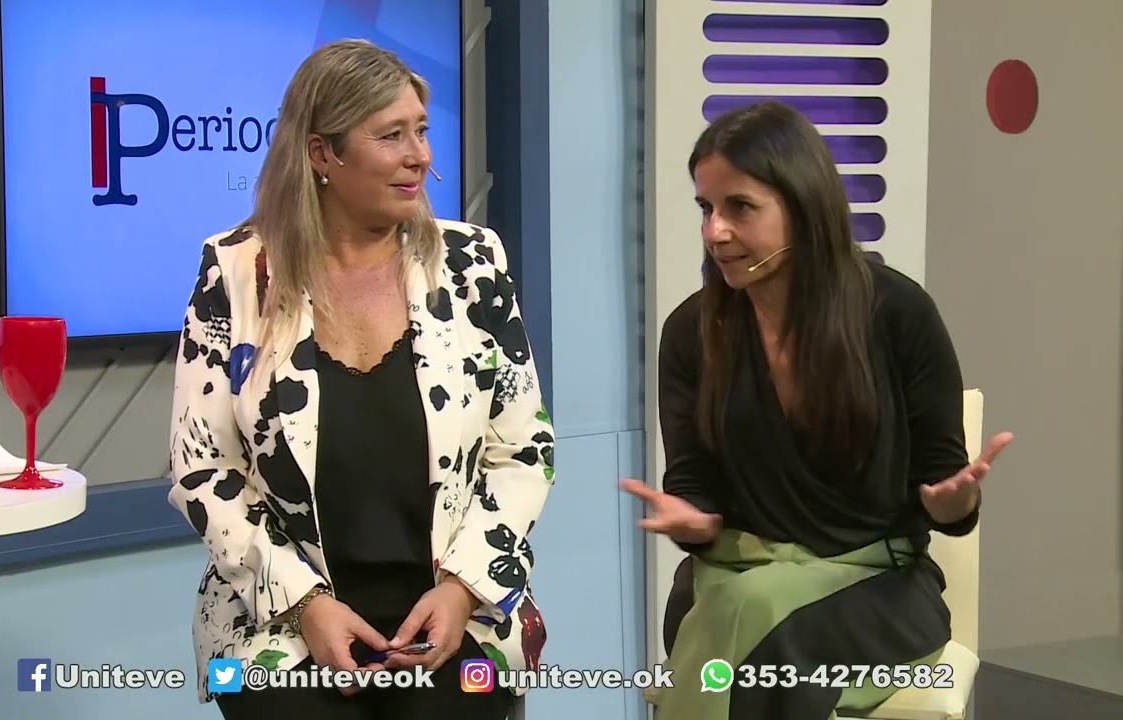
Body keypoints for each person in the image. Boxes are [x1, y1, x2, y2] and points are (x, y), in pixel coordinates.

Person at [167, 39, 554, 720]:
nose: (420, 155)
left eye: (422, 131)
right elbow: (203, 469)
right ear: (323, 154)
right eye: (392, 135)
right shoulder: (236, 272)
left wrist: (462, 588)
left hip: (455, 613)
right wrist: (306, 605)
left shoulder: (473, 264)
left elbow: (524, 450)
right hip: (280, 625)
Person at [620, 100, 1013, 720]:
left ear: (803, 207)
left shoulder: (899, 313)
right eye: (706, 208)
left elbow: (944, 492)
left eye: (739, 207)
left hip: (878, 586)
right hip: (734, 574)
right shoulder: (692, 331)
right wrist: (692, 516)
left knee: (763, 634)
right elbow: (694, 479)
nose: (714, 231)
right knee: (743, 610)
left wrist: (954, 503)